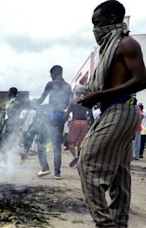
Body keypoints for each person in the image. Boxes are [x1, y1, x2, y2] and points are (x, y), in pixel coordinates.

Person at [78, 1, 146, 227]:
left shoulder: (126, 43)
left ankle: (105, 223)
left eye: (97, 23)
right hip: (114, 109)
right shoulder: (109, 47)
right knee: (119, 174)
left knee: (86, 162)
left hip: (121, 110)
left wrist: (98, 95)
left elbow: (142, 80)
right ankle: (118, 223)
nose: (95, 29)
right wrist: (95, 94)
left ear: (112, 18)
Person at [36, 65, 71, 179]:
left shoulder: (51, 84)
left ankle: (45, 168)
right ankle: (57, 173)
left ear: (54, 73)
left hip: (50, 117)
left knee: (41, 143)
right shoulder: (68, 86)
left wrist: (33, 103)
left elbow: (41, 100)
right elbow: (67, 104)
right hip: (60, 117)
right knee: (56, 146)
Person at [65, 86, 94, 167]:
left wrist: (63, 122)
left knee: (71, 142)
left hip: (75, 122)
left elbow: (67, 113)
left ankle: (75, 156)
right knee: (81, 143)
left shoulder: (73, 101)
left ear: (75, 93)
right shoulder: (87, 101)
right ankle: (79, 159)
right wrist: (93, 125)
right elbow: (91, 115)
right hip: (84, 123)